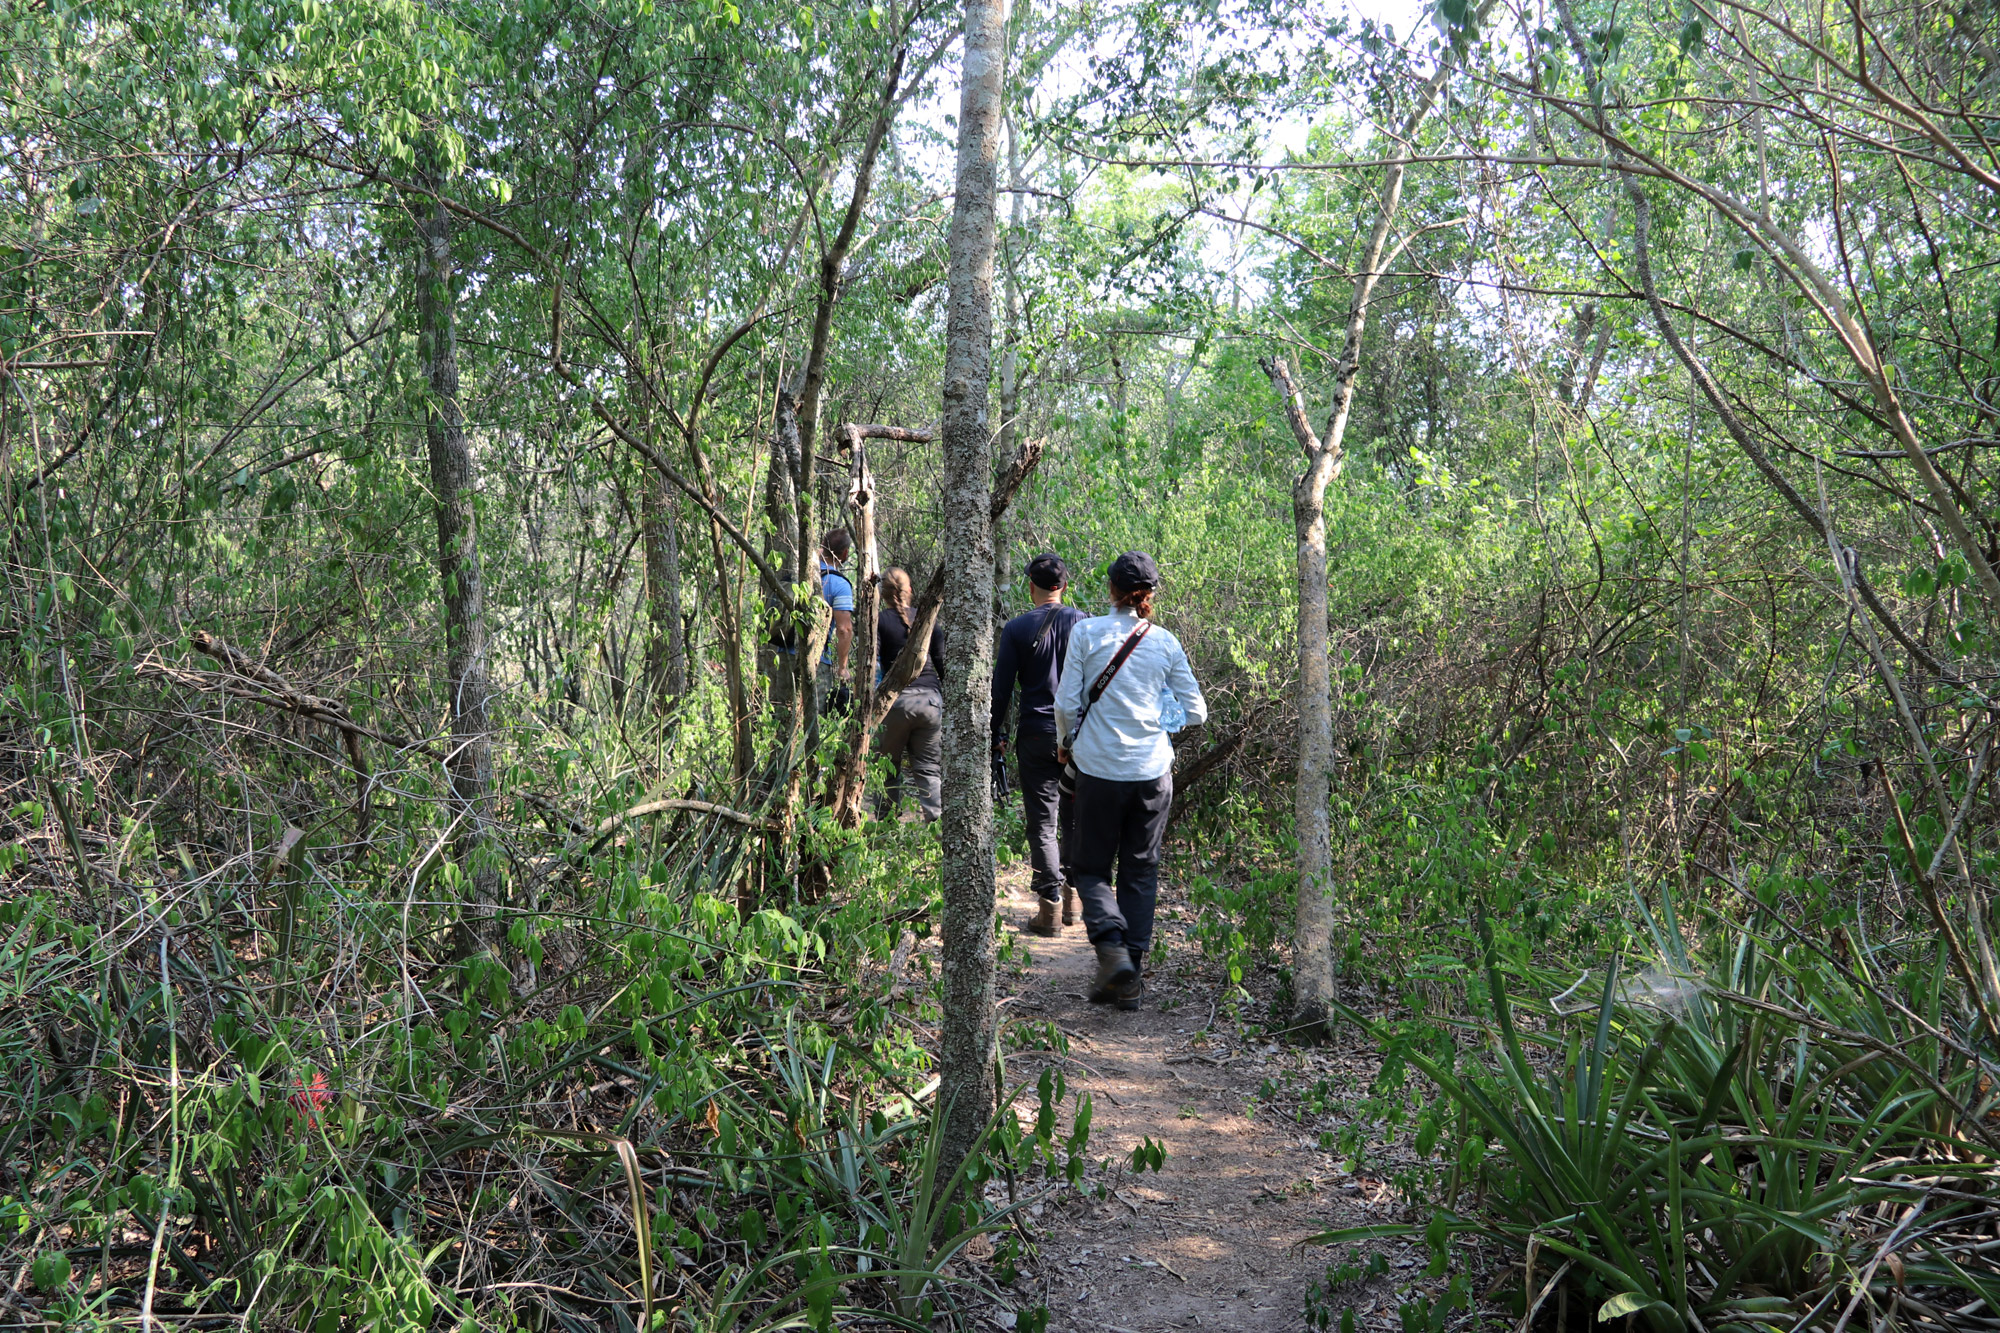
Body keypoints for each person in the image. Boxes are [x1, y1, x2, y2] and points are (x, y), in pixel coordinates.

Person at [1054, 551, 1206, 1010]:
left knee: (1090, 868)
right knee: (1140, 870)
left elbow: (1065, 704)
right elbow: (1196, 711)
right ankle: (1131, 983)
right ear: (1148, 595)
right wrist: (1156, 719)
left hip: (1099, 771)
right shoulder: (1165, 642)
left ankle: (1112, 951)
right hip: (1153, 775)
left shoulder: (1086, 632)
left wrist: (1066, 741)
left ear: (1112, 591)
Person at [991, 552, 1087, 936]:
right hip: (1079, 736)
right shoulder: (1086, 624)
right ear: (1064, 587)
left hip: (1035, 733)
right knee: (1075, 816)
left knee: (1042, 822)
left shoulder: (1015, 629)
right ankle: (1075, 898)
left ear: (1031, 586)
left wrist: (992, 735)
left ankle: (1049, 909)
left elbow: (1000, 692)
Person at [876, 567, 945, 820]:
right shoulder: (928, 619)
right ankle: (937, 827)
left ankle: (885, 828)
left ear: (883, 595)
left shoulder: (880, 620)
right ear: (910, 592)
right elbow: (941, 662)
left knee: (886, 768)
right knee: (928, 770)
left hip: (895, 702)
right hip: (929, 702)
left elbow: (872, 663)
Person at [818, 528, 856, 714]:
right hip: (815, 661)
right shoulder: (839, 584)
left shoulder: (801, 572)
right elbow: (844, 629)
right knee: (813, 720)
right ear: (845, 553)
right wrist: (842, 668)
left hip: (783, 653)